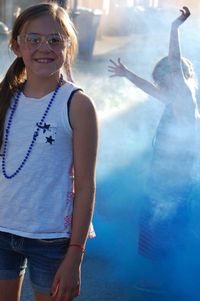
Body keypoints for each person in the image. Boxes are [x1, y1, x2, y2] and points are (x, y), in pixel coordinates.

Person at [0, 3, 98, 301]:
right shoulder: (5, 98)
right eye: (34, 39)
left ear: (68, 47)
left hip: (52, 238)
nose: (45, 47)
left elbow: (85, 186)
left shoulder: (78, 105)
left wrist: (75, 257)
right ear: (16, 46)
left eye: (55, 39)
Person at [108, 6, 199, 298]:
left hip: (175, 181)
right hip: (167, 178)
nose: (161, 83)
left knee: (164, 227)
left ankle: (165, 279)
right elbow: (149, 88)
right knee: (155, 224)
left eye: (167, 76)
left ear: (179, 75)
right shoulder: (174, 99)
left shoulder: (184, 97)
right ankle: (164, 275)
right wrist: (126, 73)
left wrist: (174, 28)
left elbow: (174, 60)